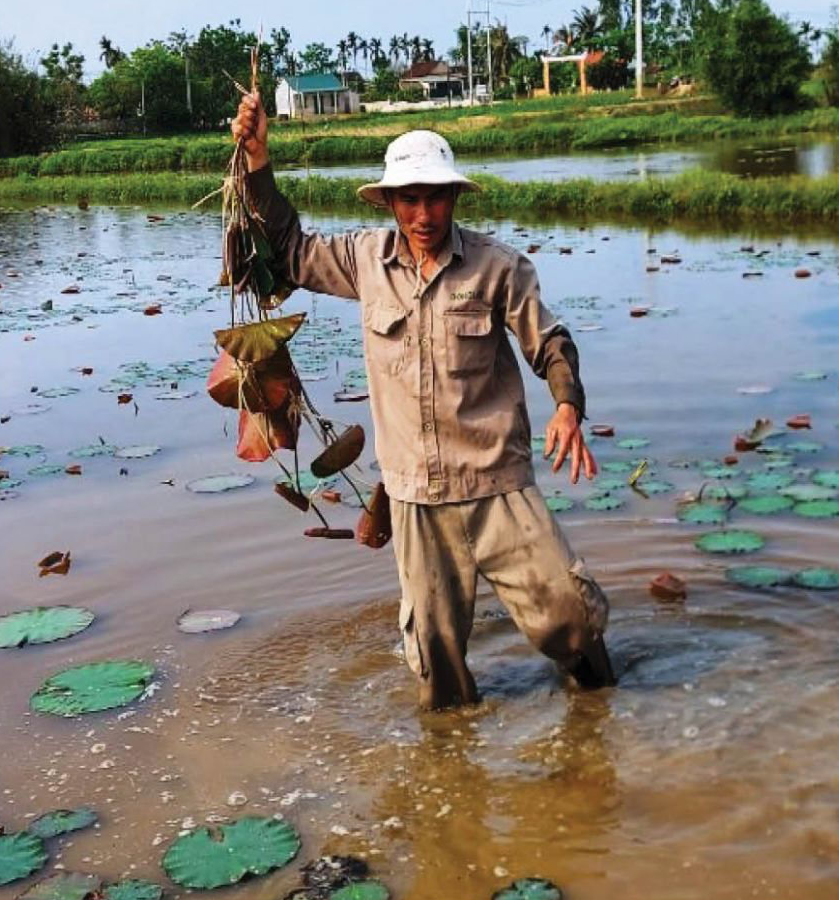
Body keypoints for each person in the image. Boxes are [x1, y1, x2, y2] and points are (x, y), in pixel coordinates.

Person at [231, 92, 616, 710]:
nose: (424, 213)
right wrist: (257, 161)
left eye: (436, 196)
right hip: (414, 493)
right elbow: (290, 250)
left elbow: (549, 340)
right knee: (436, 658)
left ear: (455, 197)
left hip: (496, 482)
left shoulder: (499, 268)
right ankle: (451, 771)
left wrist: (567, 404)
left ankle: (602, 704)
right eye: (408, 198)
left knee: (566, 616)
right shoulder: (363, 260)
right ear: (388, 202)